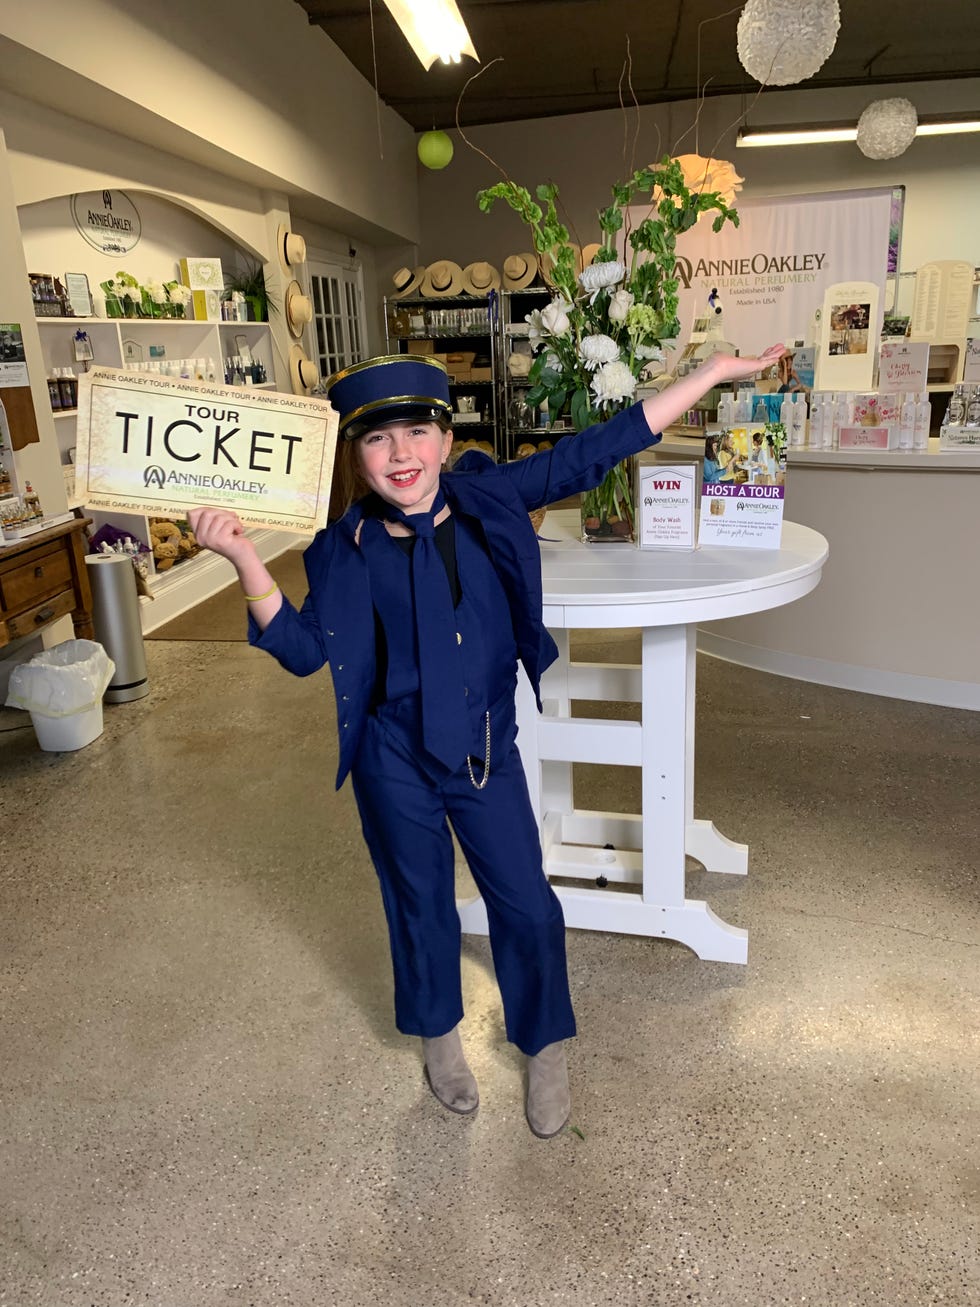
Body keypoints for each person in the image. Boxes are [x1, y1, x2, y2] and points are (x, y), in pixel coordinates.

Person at [189, 343, 785, 1140]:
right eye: (378, 439)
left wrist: (707, 377)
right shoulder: (343, 548)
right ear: (356, 456)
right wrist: (240, 559)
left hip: (483, 747)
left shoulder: (490, 497)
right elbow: (300, 652)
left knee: (526, 902)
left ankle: (542, 1044)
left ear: (442, 436)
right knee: (420, 902)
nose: (402, 455)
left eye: (416, 433)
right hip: (390, 755)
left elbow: (596, 449)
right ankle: (439, 1036)